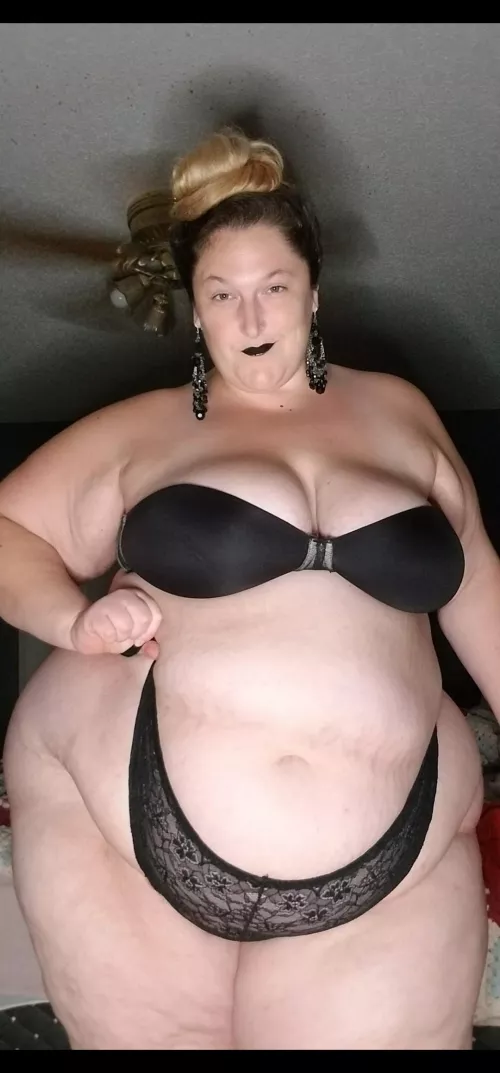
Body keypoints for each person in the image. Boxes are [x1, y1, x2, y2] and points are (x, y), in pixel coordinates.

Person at [2, 127, 499, 1050]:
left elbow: (481, 594)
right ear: (195, 312)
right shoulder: (143, 431)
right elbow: (8, 532)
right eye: (221, 294)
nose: (251, 314)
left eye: (274, 285)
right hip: (139, 809)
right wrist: (73, 619)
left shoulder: (402, 414)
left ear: (314, 293)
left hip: (399, 847)